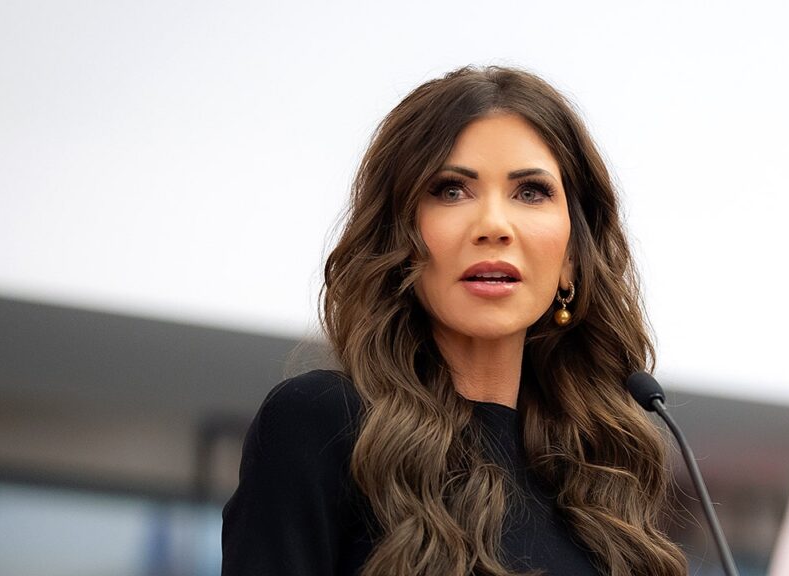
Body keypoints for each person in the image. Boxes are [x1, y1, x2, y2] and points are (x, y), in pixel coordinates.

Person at [222, 65, 688, 576]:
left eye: (531, 192)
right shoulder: (322, 424)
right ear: (399, 237)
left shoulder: (605, 478)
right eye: (450, 190)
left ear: (573, 257)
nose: (494, 226)